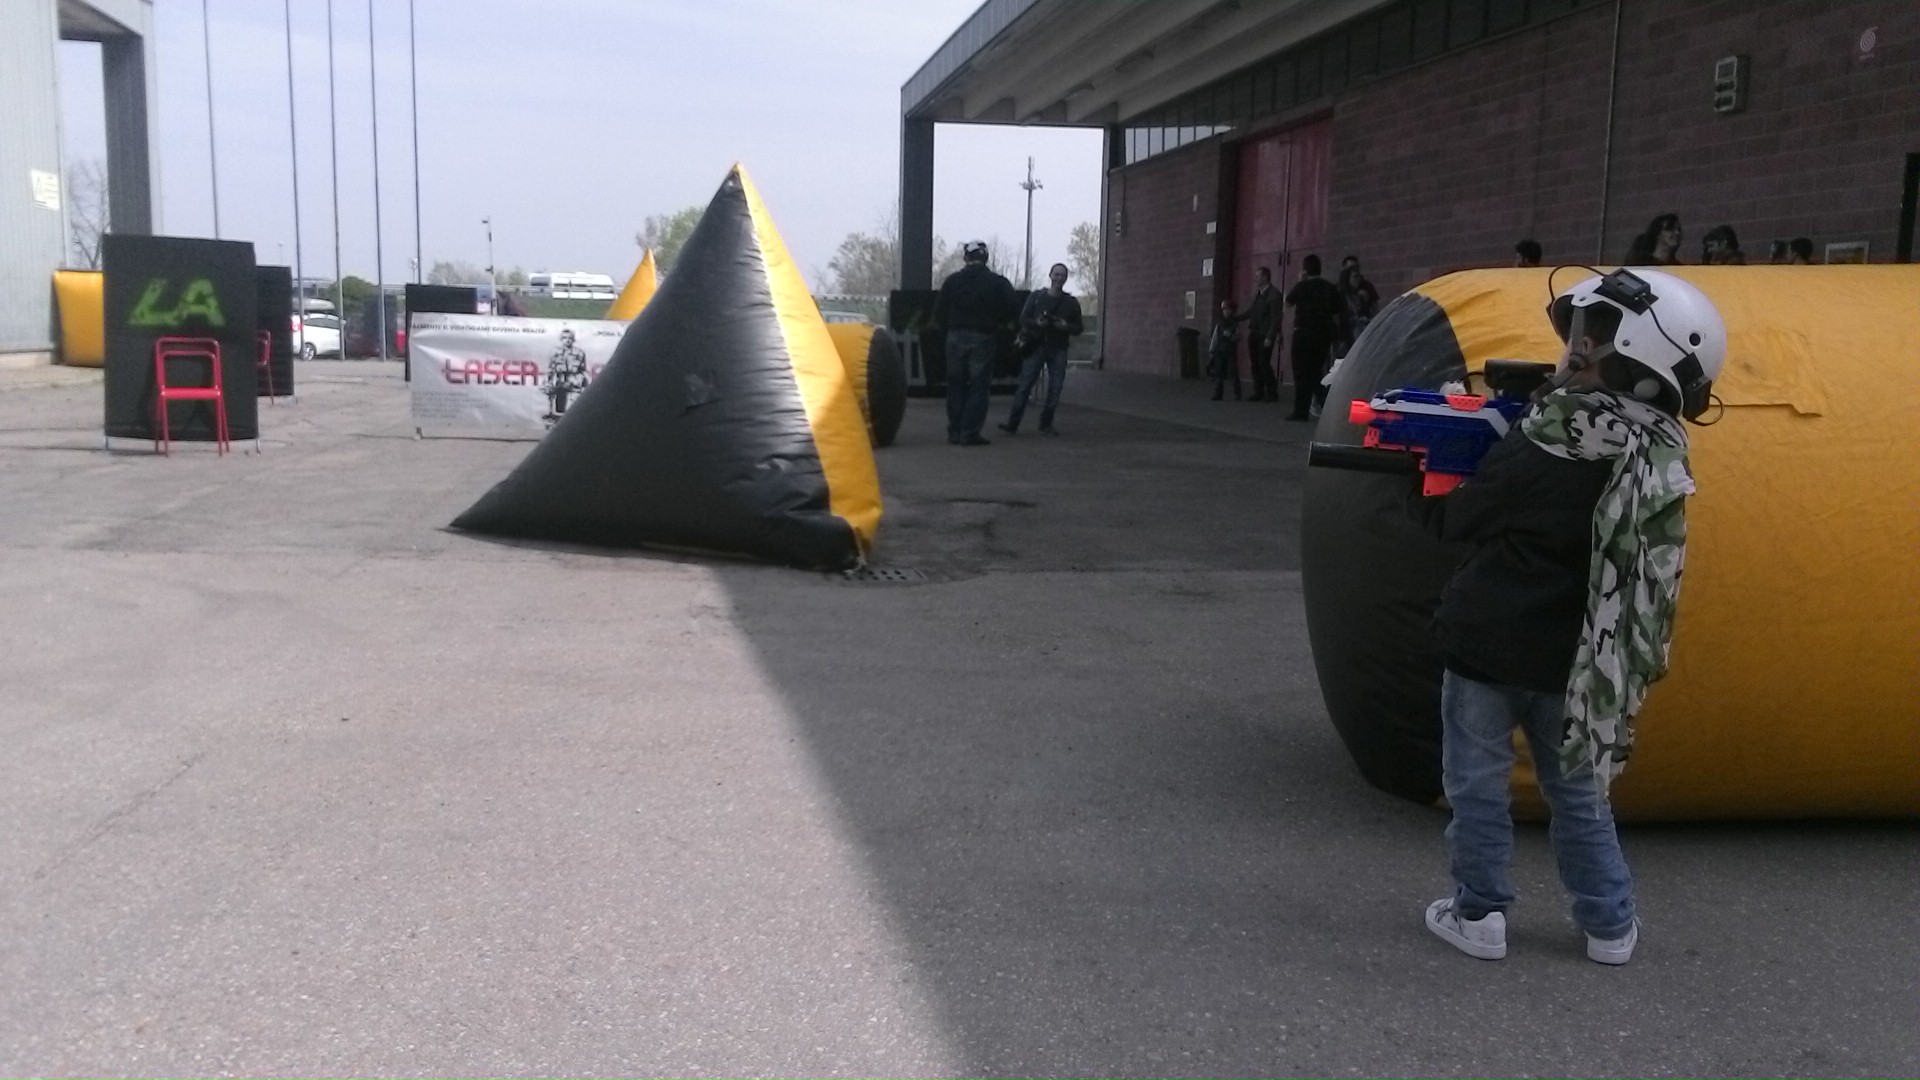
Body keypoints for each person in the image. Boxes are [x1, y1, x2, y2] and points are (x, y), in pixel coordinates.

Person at [1410, 267, 1726, 967]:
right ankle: (1609, 924)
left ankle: (1480, 913)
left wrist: (1425, 477)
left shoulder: (1549, 439)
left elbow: (1458, 520)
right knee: (1579, 794)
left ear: (1623, 355)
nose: (1574, 345)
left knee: (1477, 786)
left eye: (1591, 335)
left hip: (1487, 647)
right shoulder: (1659, 454)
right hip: (1583, 659)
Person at [934, 240, 1016, 446]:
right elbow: (1013, 307)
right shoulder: (997, 282)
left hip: (954, 335)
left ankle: (955, 431)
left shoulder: (952, 281)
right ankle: (969, 433)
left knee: (956, 384)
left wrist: (949, 329)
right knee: (979, 385)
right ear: (986, 258)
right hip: (984, 336)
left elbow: (939, 311)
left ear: (966, 258)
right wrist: (999, 323)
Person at [999, 263, 1084, 436]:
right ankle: (1013, 423)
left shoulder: (1071, 303)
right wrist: (1037, 324)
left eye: (1062, 275)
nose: (1059, 278)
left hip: (1058, 348)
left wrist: (1066, 326)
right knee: (1025, 385)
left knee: (1056, 387)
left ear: (1066, 278)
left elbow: (1078, 328)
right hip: (1036, 346)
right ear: (1050, 275)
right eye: (1056, 274)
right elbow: (1023, 319)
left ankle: (1046, 423)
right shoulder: (1036, 297)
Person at [1283, 255, 1344, 420]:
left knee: (1301, 373)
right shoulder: (1329, 287)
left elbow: (1288, 303)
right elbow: (1337, 312)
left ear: (1305, 270)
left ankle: (1301, 410)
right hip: (1322, 334)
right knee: (1316, 371)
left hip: (1303, 333)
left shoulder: (1302, 286)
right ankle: (1328, 404)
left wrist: (1299, 281)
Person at [1242, 267, 1282, 403]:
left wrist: (1270, 337)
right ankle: (1258, 391)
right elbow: (1251, 311)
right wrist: (1235, 318)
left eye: (1258, 276)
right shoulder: (1258, 295)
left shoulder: (1274, 295)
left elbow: (1276, 318)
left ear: (1265, 277)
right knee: (1255, 363)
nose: (1255, 278)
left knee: (1263, 362)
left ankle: (1272, 392)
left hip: (1264, 334)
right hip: (1254, 332)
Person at [541, 327, 588, 426]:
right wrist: (548, 380)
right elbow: (551, 367)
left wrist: (582, 381)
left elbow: (582, 369)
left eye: (570, 338)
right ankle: (553, 416)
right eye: (565, 338)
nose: (567, 340)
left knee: (575, 400)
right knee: (549, 391)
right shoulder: (554, 352)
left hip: (573, 378)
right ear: (561, 339)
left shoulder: (579, 353)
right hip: (558, 378)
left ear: (573, 340)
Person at [1337, 255, 1380, 351]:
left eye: (1357, 267)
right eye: (1351, 268)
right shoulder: (1340, 290)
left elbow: (1375, 307)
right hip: (1347, 330)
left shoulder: (1366, 286)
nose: (1355, 270)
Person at [1206, 297, 1244, 401]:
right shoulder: (1220, 323)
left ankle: (1237, 393)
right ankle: (1218, 393)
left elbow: (1239, 336)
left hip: (1230, 350)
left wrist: (1231, 336)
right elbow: (1215, 337)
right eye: (1224, 310)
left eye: (1227, 309)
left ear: (1232, 311)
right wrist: (1212, 350)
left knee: (1233, 371)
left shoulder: (1235, 323)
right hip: (1219, 350)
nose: (1225, 312)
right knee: (1218, 372)